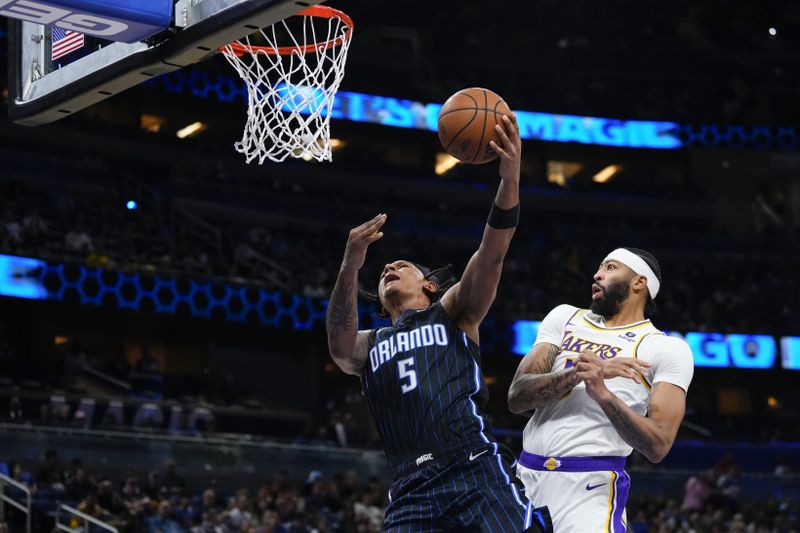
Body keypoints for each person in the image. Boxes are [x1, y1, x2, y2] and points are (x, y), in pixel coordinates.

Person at [326, 114, 551, 533]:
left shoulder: (452, 313)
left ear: (429, 285)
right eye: (384, 268)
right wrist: (350, 265)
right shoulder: (370, 345)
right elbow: (339, 346)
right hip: (411, 488)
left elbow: (493, 250)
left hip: (472, 468)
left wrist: (510, 179)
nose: (389, 264)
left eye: (403, 264)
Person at [507, 247, 694, 532]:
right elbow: (516, 397)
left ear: (639, 283)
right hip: (523, 480)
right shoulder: (565, 318)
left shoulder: (665, 349)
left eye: (610, 267)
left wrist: (603, 394)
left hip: (588, 489)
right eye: (599, 267)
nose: (597, 274)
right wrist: (576, 375)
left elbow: (658, 445)